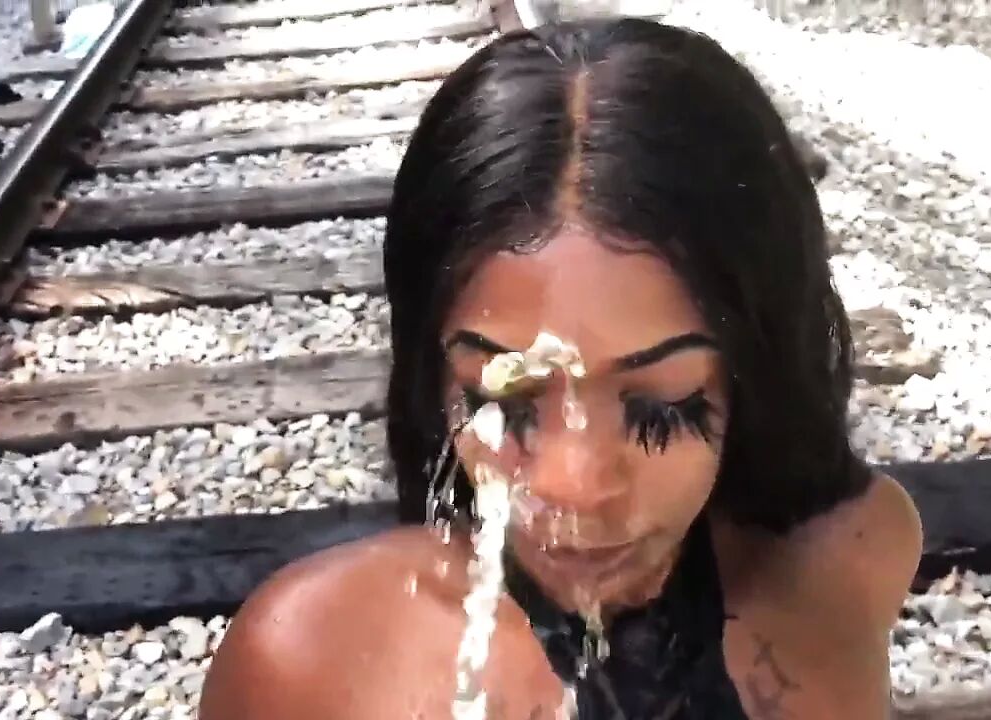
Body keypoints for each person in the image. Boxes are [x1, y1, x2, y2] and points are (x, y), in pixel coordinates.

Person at [198, 16, 922, 720]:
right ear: (435, 383)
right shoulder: (308, 662)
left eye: (662, 410)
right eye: (502, 405)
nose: (576, 487)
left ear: (754, 372)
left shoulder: (852, 558)